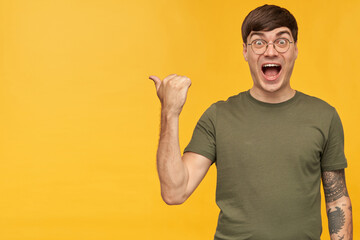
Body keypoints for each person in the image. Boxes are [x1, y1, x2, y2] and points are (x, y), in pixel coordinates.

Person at [149, 4, 353, 240]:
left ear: (295, 49)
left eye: (282, 41)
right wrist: (169, 112)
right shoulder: (218, 116)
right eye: (258, 42)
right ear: (245, 52)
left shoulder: (324, 115)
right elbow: (175, 192)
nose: (270, 51)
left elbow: (337, 199)